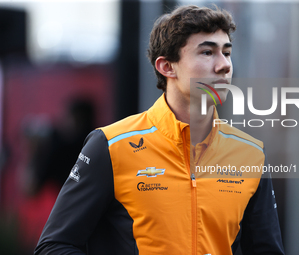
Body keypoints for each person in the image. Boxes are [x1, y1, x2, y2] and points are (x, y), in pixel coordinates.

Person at [35, 5, 285, 255]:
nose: (224, 66)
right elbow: (53, 246)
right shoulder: (111, 145)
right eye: (208, 52)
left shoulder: (251, 154)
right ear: (167, 67)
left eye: (227, 53)